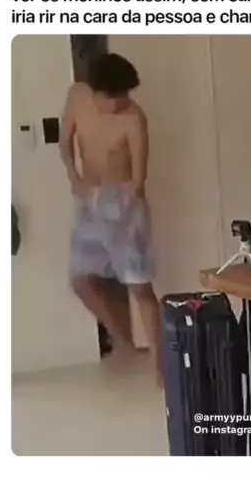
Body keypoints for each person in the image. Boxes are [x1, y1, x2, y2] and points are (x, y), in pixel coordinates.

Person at [59, 52, 163, 383]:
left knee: (139, 287)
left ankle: (160, 366)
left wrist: (121, 217)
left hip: (125, 204)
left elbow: (139, 178)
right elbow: (64, 142)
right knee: (80, 280)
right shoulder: (77, 96)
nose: (119, 103)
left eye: (124, 95)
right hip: (89, 200)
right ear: (94, 90)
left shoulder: (134, 118)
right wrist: (74, 177)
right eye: (112, 96)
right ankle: (123, 340)